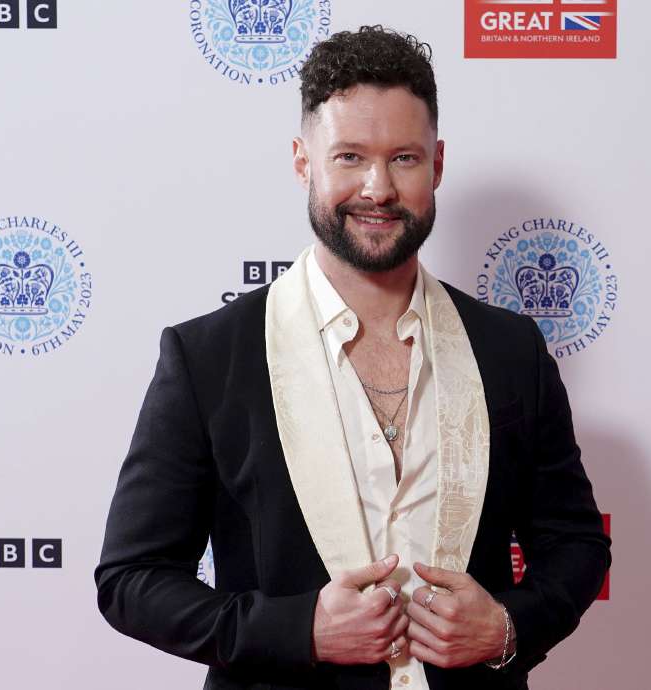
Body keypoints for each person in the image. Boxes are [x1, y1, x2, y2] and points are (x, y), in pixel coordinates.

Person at [94, 26, 610, 690]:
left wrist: (507, 627)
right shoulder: (208, 357)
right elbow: (131, 579)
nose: (378, 188)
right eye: (349, 157)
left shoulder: (510, 349)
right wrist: (298, 630)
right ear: (303, 162)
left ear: (437, 165)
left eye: (404, 158)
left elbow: (576, 544)